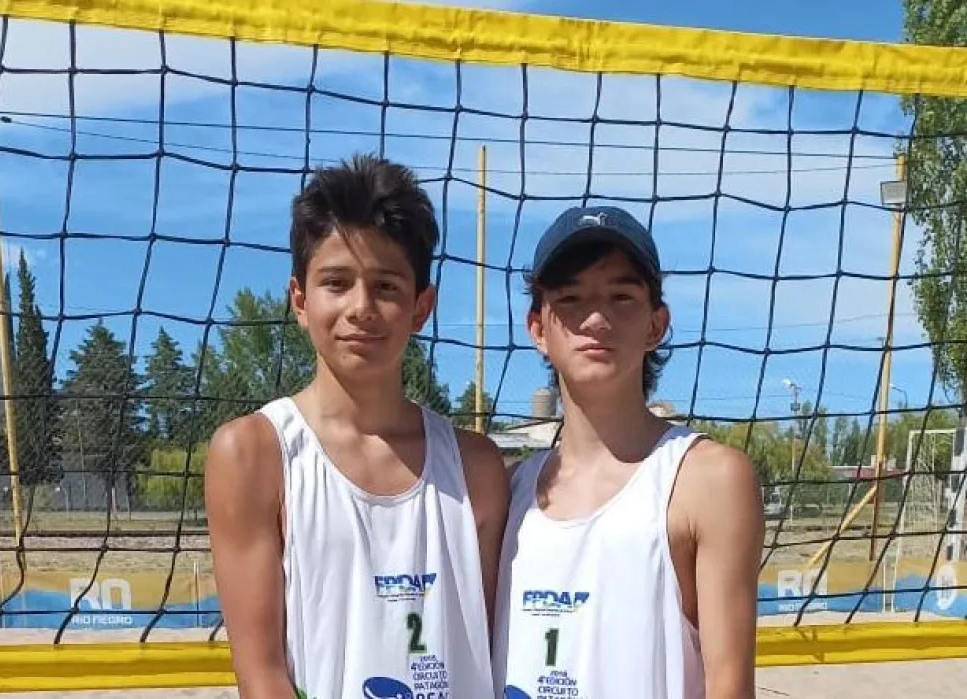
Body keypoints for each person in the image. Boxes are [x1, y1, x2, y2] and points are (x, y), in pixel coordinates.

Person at [205, 154, 509, 699]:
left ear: (422, 306)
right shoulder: (252, 453)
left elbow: (488, 650)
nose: (361, 307)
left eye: (386, 287)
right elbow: (262, 675)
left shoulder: (477, 467)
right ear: (300, 299)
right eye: (337, 283)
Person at [491, 206, 764, 699]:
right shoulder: (508, 491)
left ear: (656, 324)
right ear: (537, 329)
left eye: (621, 297)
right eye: (570, 299)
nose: (596, 318)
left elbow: (730, 688)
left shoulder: (708, 479)